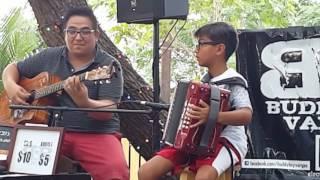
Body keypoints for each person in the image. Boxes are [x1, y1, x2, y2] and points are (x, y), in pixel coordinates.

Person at [2, 7, 129, 180]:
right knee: (13, 167)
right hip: (50, 134)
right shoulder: (49, 56)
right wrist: (10, 85)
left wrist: (84, 102)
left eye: (85, 31)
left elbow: (108, 111)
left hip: (96, 134)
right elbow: (13, 68)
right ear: (64, 34)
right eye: (72, 31)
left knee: (115, 170)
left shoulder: (108, 66)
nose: (78, 37)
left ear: (97, 35)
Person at [138, 22, 252, 180]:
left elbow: (246, 115)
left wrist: (213, 116)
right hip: (195, 142)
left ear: (219, 49)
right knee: (146, 172)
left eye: (201, 44)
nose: (196, 49)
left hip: (226, 141)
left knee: (204, 177)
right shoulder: (203, 84)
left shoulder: (234, 82)